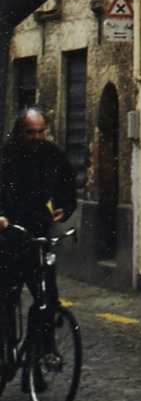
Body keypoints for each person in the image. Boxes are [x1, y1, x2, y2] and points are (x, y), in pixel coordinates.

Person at [0, 108, 77, 317]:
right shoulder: (8, 153)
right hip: (10, 231)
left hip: (38, 229)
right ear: (21, 131)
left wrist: (64, 207)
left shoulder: (53, 153)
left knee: (47, 295)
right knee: (7, 295)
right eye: (31, 132)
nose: (36, 137)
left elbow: (67, 182)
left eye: (40, 132)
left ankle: (42, 335)